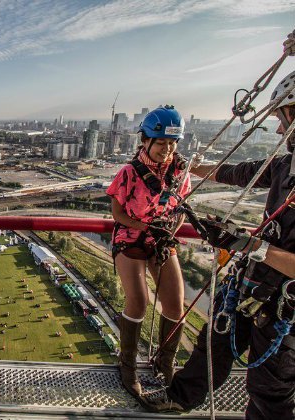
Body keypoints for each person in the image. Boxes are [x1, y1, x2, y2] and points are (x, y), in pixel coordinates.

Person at [145, 71, 295, 419]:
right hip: (259, 284)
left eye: (281, 118)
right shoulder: (287, 167)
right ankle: (181, 397)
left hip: (283, 301)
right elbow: (239, 173)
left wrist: (250, 245)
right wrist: (192, 169)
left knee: (269, 389)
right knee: (214, 343)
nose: (278, 130)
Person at [105, 105, 190, 397]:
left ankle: (164, 365)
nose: (166, 149)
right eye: (161, 143)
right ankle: (127, 365)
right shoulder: (130, 172)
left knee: (176, 305)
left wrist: (169, 233)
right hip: (131, 236)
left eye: (171, 143)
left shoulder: (180, 173)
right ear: (145, 141)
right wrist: (144, 229)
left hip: (162, 240)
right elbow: (117, 212)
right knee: (139, 301)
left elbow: (180, 209)